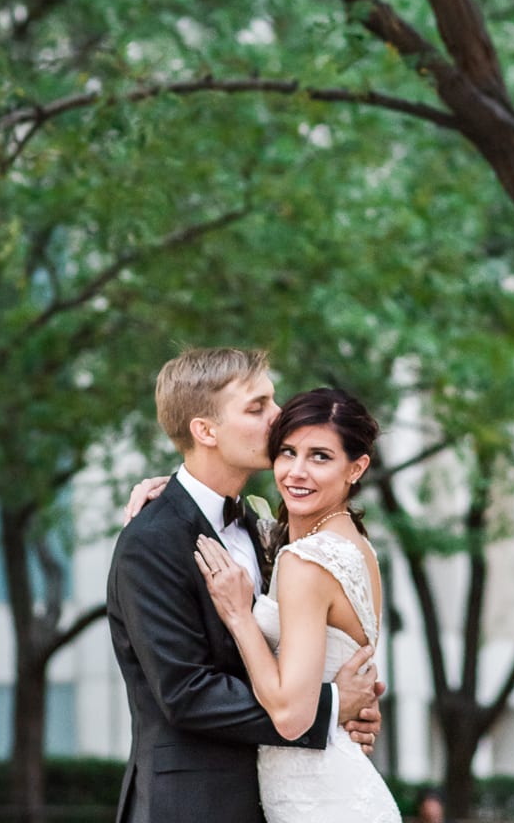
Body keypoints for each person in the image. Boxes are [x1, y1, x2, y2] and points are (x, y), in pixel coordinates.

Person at [106, 348, 383, 823]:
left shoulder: (268, 525)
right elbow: (186, 692)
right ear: (205, 431)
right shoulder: (151, 540)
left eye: (273, 401)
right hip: (195, 806)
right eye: (258, 408)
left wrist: (345, 704)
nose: (279, 418)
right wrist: (330, 708)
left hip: (283, 796)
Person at [195, 384, 401, 823]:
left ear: (356, 467)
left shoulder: (306, 561)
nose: (296, 472)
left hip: (323, 801)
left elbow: (290, 716)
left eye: (320, 457)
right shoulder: (356, 547)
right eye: (287, 452)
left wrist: (239, 615)